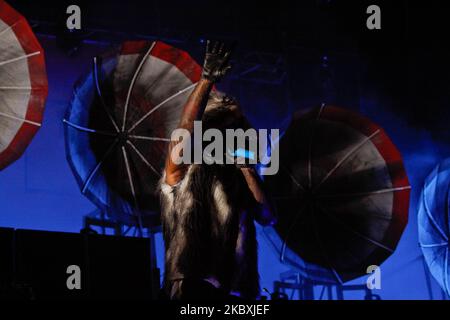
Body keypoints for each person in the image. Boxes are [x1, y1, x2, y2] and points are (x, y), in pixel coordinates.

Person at [159, 40, 276, 300]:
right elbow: (186, 128)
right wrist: (206, 81)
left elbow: (267, 215)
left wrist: (246, 167)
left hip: (237, 288)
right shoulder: (185, 166)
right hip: (193, 285)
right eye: (232, 127)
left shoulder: (239, 175)